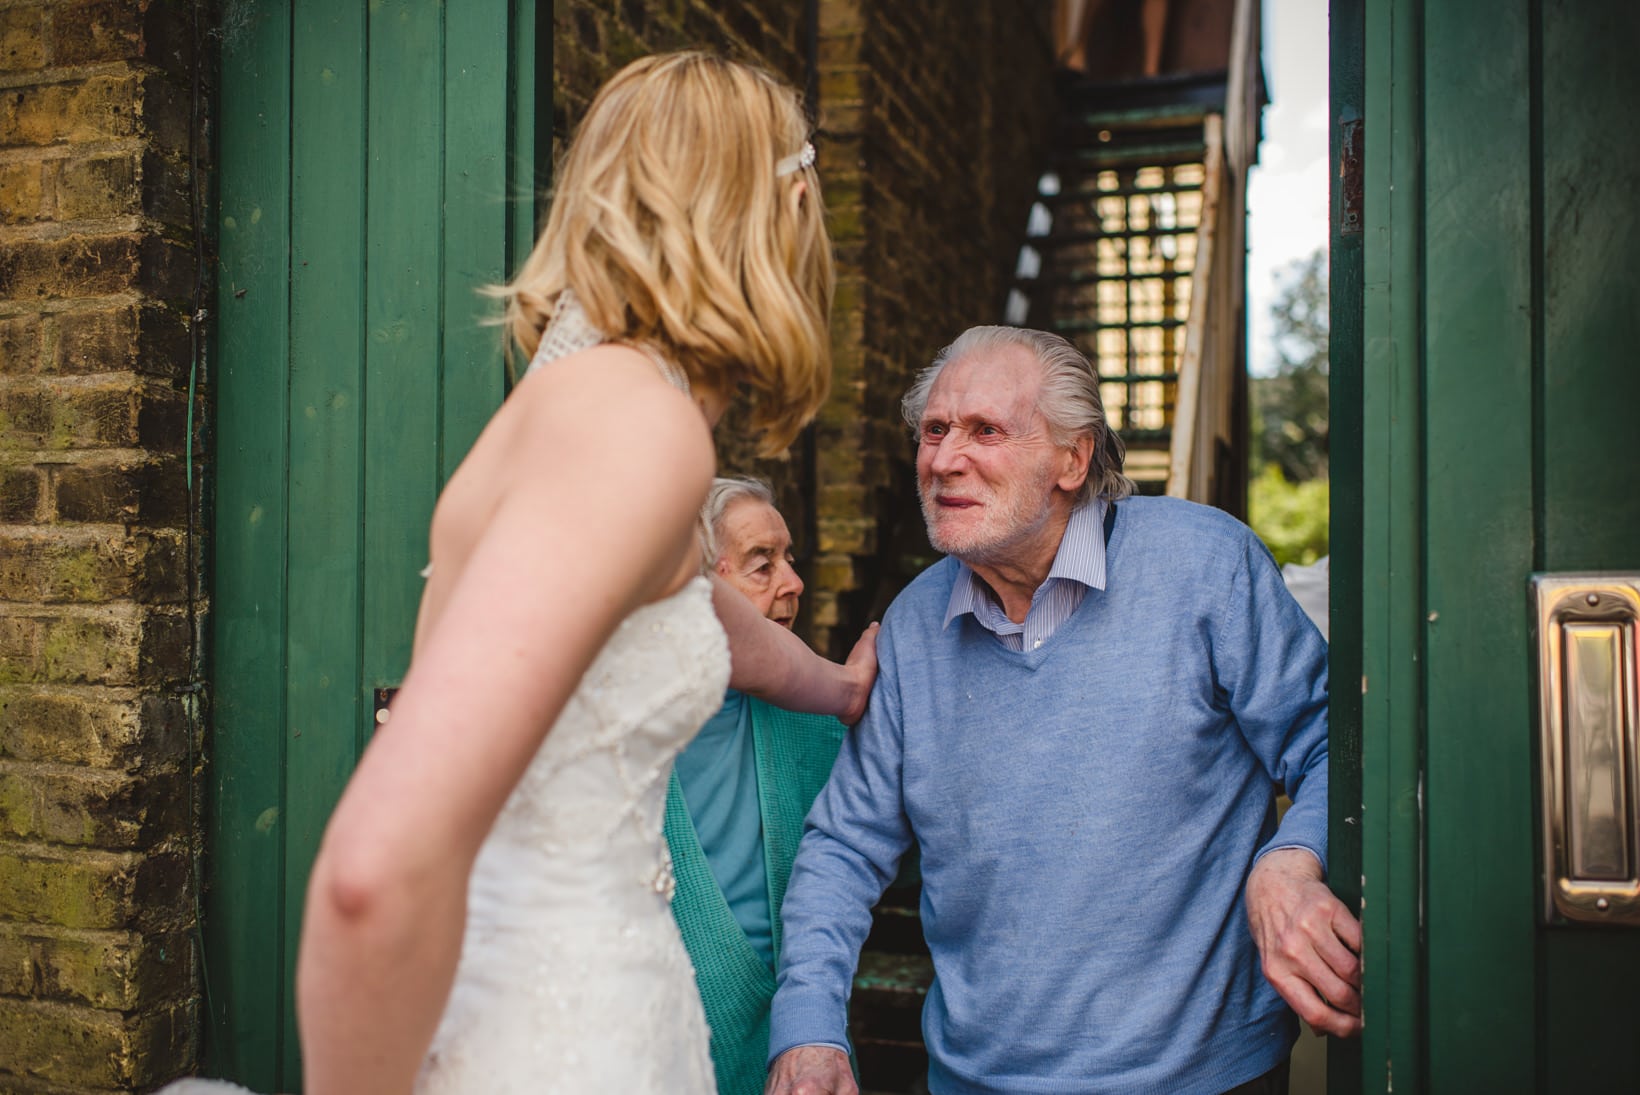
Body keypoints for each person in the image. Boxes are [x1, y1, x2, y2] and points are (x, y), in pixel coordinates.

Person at [284, 51, 876, 1095]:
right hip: (560, 1046)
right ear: (780, 210)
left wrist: (829, 686)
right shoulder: (635, 432)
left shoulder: (587, 404)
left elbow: (675, 611)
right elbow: (369, 877)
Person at [765, 326, 1360, 1095]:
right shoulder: (911, 627)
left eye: (985, 431)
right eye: (935, 430)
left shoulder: (1206, 565)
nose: (943, 459)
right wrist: (810, 1026)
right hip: (979, 1080)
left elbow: (1332, 740)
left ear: (1072, 459)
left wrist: (1292, 858)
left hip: (1204, 1077)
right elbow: (845, 846)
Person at [665, 477, 851, 1095]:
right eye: (761, 563)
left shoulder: (816, 720)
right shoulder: (624, 726)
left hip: (788, 1055)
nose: (793, 583)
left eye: (789, 558)